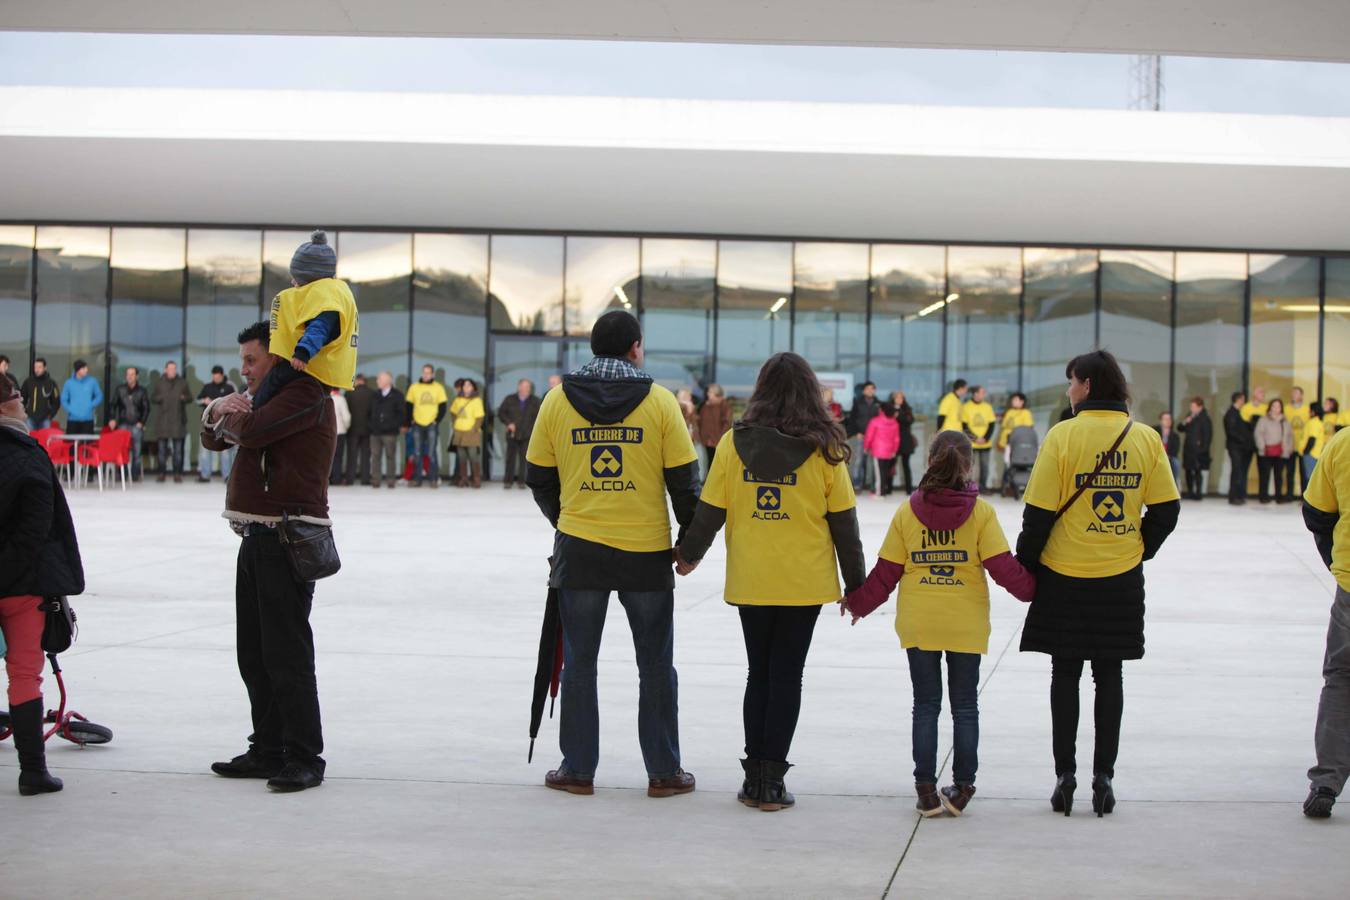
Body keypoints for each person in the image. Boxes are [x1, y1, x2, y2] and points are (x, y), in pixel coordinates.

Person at [675, 352, 865, 812]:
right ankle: (773, 784)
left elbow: (711, 511)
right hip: (805, 583)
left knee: (757, 673)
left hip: (752, 578)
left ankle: (753, 779)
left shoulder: (733, 445)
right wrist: (856, 587)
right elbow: (844, 525)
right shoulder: (826, 449)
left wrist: (689, 555)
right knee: (787, 675)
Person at [524, 310, 702, 799]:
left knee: (579, 664)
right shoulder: (662, 403)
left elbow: (538, 476)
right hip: (645, 553)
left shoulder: (557, 401)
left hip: (580, 553)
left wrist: (569, 518)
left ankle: (578, 770)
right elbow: (685, 484)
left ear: (593, 349)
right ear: (636, 348)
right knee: (656, 666)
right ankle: (664, 773)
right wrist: (689, 547)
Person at [1016, 350, 1180, 817]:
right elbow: (1166, 511)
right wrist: (1136, 549)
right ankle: (1103, 778)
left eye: (1071, 382)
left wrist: (1027, 567)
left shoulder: (1063, 437)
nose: (1069, 392)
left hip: (1064, 577)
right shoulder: (1146, 439)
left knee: (1064, 673)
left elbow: (1039, 515)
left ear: (1086, 385)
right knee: (1110, 674)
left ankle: (1064, 776)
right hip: (1120, 580)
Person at [843, 430, 1035, 817]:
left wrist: (858, 603)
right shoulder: (981, 514)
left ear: (929, 462)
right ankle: (962, 789)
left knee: (925, 705)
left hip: (920, 622)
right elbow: (1003, 570)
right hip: (966, 622)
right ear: (969, 465)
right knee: (965, 707)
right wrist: (1038, 590)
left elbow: (886, 574)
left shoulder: (906, 512)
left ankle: (927, 792)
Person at [199, 321, 336, 793]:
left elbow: (251, 431)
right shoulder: (266, 397)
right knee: (254, 653)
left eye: (252, 360)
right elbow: (214, 438)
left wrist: (225, 413)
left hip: (287, 539)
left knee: (286, 653)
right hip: (256, 537)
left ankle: (304, 756)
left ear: (275, 357)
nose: (245, 370)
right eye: (242, 362)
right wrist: (219, 407)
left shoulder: (304, 394)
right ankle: (268, 748)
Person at [0, 379, 85, 795]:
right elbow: (37, 530)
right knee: (24, 674)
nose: (22, 402)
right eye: (16, 396)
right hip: (22, 587)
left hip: (15, 582)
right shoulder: (29, 455)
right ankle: (32, 770)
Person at [253, 231, 359, 411]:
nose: (294, 283)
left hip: (308, 364)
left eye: (298, 278)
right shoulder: (333, 293)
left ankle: (253, 411)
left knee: (273, 381)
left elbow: (320, 329)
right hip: (315, 366)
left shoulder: (326, 298)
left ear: (309, 277)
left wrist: (303, 352)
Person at [1302, 422, 1350, 818]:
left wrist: (1335, 559)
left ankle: (1326, 784)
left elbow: (1317, 512)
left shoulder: (1343, 442)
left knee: (1341, 678)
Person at [405, 364, 448, 488]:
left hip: (431, 424)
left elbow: (443, 407)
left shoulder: (438, 388)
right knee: (417, 452)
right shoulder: (414, 387)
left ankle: (433, 479)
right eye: (424, 372)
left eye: (428, 373)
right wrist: (411, 420)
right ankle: (417, 479)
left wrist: (437, 420)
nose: (426, 375)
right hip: (417, 424)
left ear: (433, 374)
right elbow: (408, 405)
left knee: (431, 452)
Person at [150, 360, 192, 483]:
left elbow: (190, 397)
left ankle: (177, 474)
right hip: (163, 421)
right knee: (162, 451)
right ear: (165, 370)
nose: (172, 371)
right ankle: (161, 473)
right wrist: (160, 398)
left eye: (174, 369)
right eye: (170, 369)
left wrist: (184, 398)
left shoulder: (182, 383)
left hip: (178, 421)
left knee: (178, 452)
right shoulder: (159, 383)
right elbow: (153, 398)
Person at [497, 378, 541, 489]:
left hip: (528, 435)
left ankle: (522, 482)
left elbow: (540, 417)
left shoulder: (535, 401)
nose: (526, 389)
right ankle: (508, 481)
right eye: (524, 386)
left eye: (528, 387)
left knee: (524, 459)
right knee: (510, 459)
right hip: (512, 433)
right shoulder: (509, 399)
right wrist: (508, 423)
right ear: (518, 387)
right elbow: (501, 413)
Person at [196, 366, 236, 483]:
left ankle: (227, 476)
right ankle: (205, 475)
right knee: (205, 449)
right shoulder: (207, 387)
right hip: (207, 424)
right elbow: (197, 400)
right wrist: (204, 401)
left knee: (225, 451)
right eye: (214, 375)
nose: (216, 377)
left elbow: (234, 403)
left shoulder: (229, 388)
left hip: (223, 424)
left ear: (222, 375)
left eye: (218, 376)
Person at [109, 366, 150, 481]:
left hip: (136, 425)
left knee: (137, 452)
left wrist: (142, 422)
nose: (130, 377)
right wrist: (112, 418)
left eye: (132, 374)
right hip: (122, 424)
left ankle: (135, 474)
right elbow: (113, 405)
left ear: (136, 376)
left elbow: (146, 408)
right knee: (121, 450)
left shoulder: (142, 391)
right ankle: (121, 473)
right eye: (128, 374)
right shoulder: (120, 389)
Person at [368, 371, 405, 489]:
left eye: (379, 379)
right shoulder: (374, 394)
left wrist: (394, 425)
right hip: (375, 432)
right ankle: (376, 480)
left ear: (388, 381)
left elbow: (401, 414)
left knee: (390, 456)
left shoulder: (397, 395)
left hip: (390, 432)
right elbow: (369, 412)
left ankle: (391, 480)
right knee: (375, 456)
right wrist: (371, 425)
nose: (377, 381)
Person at [1255, 399, 1294, 504]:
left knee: (1279, 476)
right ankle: (1263, 496)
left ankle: (1279, 496)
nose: (1276, 408)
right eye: (1274, 406)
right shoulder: (1263, 420)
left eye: (1278, 406)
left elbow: (1290, 436)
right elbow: (1258, 434)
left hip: (1281, 452)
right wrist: (1262, 446)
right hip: (1266, 452)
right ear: (1270, 407)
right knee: (1265, 475)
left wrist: (1289, 448)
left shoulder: (1285, 421)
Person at [450, 378, 486, 488]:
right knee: (461, 457)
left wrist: (474, 429)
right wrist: (456, 425)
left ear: (473, 388)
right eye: (464, 385)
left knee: (473, 456)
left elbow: (480, 417)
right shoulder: (458, 399)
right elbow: (453, 413)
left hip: (471, 433)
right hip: (459, 432)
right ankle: (463, 478)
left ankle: (476, 478)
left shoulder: (477, 400)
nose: (466, 387)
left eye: (469, 385)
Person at [846, 382, 881, 491]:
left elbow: (881, 420)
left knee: (872, 461)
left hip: (874, 437)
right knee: (859, 460)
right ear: (864, 391)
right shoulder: (857, 402)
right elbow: (852, 419)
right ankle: (857, 484)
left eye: (872, 389)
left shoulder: (878, 404)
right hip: (861, 435)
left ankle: (871, 485)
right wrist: (857, 432)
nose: (870, 391)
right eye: (868, 389)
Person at [961, 386, 996, 493]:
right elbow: (964, 426)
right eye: (982, 392)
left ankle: (983, 487)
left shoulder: (988, 407)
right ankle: (968, 487)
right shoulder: (966, 407)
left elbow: (992, 424)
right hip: (971, 443)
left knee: (985, 467)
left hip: (985, 443)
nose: (983, 394)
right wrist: (975, 439)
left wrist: (985, 438)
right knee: (969, 467)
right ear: (975, 394)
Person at [998, 392, 1034, 493]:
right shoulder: (1009, 412)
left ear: (1022, 402)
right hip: (1007, 444)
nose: (1013, 402)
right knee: (1007, 465)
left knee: (1014, 465)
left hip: (1018, 446)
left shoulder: (1026, 413)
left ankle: (1014, 487)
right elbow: (1004, 428)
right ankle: (1007, 487)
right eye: (1013, 400)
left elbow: (1028, 430)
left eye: (1016, 400)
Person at [1177, 396, 1212, 501]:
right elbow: (1180, 428)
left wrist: (1203, 449)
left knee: (1198, 471)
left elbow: (1208, 435)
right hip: (1189, 448)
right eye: (1191, 406)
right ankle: (1190, 491)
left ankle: (1198, 492)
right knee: (1188, 469)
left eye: (1193, 406)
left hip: (1198, 449)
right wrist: (1185, 421)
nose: (1191, 408)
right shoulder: (1190, 416)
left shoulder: (1205, 418)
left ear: (1200, 407)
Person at [864, 402, 902, 497]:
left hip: (877, 451)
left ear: (882, 410)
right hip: (889, 451)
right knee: (884, 472)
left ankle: (879, 492)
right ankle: (883, 491)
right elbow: (896, 439)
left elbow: (869, 436)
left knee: (878, 472)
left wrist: (866, 447)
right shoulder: (895, 423)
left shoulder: (875, 421)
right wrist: (894, 450)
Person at [1224, 391, 1255, 506]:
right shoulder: (1231, 413)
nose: (1244, 401)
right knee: (1236, 470)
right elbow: (1231, 431)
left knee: (1240, 471)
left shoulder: (1239, 413)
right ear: (1239, 400)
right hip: (1235, 447)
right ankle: (1233, 496)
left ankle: (1239, 495)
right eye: (1243, 399)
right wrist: (1243, 439)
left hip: (1240, 447)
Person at [698, 384, 736, 474]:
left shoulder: (724, 405)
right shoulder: (705, 405)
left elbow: (727, 422)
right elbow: (701, 420)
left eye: (710, 392)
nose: (708, 394)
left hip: (718, 440)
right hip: (707, 440)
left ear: (716, 393)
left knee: (718, 463)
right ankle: (708, 480)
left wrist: (721, 438)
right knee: (708, 461)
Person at [344, 373, 374, 485]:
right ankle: (365, 479)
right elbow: (373, 412)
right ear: (365, 381)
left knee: (352, 455)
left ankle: (349, 479)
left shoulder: (349, 393)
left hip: (352, 429)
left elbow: (346, 411)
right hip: (367, 429)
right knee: (366, 455)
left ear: (357, 381)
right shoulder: (371, 393)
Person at [60, 359, 102, 436]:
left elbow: (99, 396)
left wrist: (90, 405)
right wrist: (71, 409)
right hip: (72, 420)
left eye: (86, 368)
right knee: (71, 444)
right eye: (83, 368)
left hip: (88, 419)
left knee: (87, 445)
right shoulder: (69, 383)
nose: (86, 370)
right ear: (77, 370)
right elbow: (63, 399)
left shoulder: (92, 381)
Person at [19, 358, 60, 430]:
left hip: (45, 419)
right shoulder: (28, 381)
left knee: (44, 440)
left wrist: (50, 415)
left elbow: (56, 402)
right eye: (35, 367)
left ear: (45, 368)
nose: (37, 369)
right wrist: (25, 413)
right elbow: (22, 399)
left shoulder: (51, 383)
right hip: (30, 418)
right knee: (29, 439)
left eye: (39, 367)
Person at [889, 390, 917, 494]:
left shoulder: (907, 409)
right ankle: (888, 489)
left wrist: (899, 416)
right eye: (897, 397)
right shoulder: (889, 408)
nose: (899, 399)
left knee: (906, 465)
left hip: (905, 441)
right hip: (892, 441)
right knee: (891, 465)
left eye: (901, 398)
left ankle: (909, 489)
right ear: (893, 398)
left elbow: (910, 421)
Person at [1288, 386, 1312, 498]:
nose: (1294, 395)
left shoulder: (1307, 410)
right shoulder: (1286, 408)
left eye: (1296, 393)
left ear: (1301, 396)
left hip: (1303, 446)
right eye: (1292, 393)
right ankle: (1289, 495)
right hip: (1290, 445)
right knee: (1289, 472)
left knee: (1304, 473)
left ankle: (1304, 497)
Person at [328, 388, 351, 485]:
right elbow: (346, 417)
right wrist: (346, 427)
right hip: (339, 431)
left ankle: (328, 478)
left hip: (327, 431)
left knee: (328, 457)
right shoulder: (341, 399)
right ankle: (336, 479)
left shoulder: (326, 398)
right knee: (338, 456)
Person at [1155, 411, 1182, 486]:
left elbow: (1175, 450)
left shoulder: (1175, 435)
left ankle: (1173, 486)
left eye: (1169, 419)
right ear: (1161, 421)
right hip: (1156, 457)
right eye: (1165, 419)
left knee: (1175, 462)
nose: (1168, 421)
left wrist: (1167, 456)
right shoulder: (1154, 431)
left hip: (1170, 457)